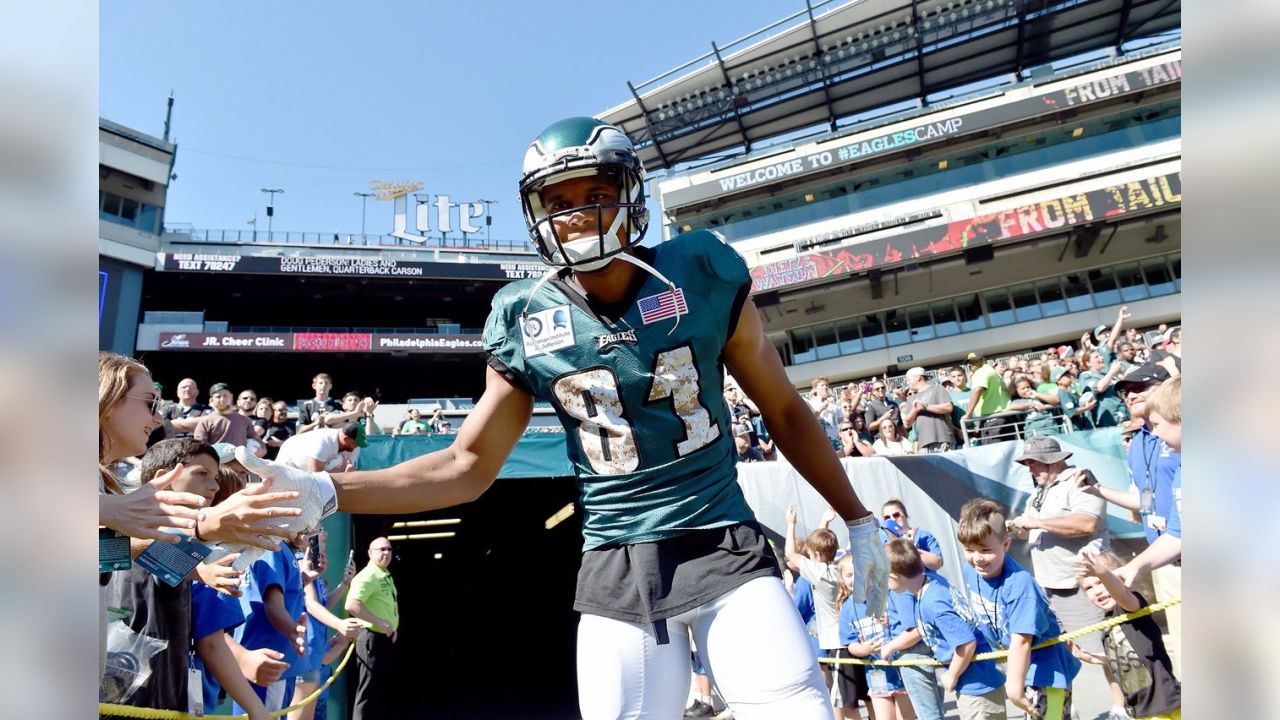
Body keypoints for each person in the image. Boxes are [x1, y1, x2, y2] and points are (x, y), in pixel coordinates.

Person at [237, 117, 889, 719]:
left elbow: (783, 408)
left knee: (794, 705)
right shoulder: (526, 316)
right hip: (614, 566)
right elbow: (466, 465)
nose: (576, 216)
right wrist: (330, 489)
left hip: (720, 541)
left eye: (594, 193)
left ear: (628, 194)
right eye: (558, 202)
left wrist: (856, 516)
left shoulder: (698, 271)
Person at [1005, 437, 1126, 717]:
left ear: (1054, 460)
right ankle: (1065, 710)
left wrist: (1036, 523)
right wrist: (1019, 527)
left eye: (1034, 462)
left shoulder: (1079, 481)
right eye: (1027, 463)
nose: (1029, 468)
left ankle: (1124, 707)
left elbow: (1087, 523)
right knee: (1061, 654)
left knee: (1108, 651)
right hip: (1050, 587)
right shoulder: (1040, 490)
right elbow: (1035, 527)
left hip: (1082, 586)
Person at [957, 499, 1080, 720]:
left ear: (1005, 544)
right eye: (969, 550)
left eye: (985, 550)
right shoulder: (971, 572)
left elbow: (1022, 640)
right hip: (1018, 666)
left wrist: (1014, 687)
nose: (977, 558)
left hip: (1046, 671)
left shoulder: (1020, 584)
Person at [884, 539, 1006, 720]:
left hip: (977, 684)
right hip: (973, 682)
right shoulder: (930, 582)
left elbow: (966, 643)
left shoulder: (933, 603)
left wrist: (952, 675)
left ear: (894, 577)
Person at [1073, 551, 1181, 720]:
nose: (1097, 591)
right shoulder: (1107, 624)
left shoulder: (1131, 608)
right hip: (1141, 709)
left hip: (1163, 703)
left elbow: (1122, 595)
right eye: (1089, 587)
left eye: (1100, 582)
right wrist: (1097, 659)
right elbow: (1128, 657)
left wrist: (1101, 572)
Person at [836, 554, 913, 720]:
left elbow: (909, 625)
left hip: (902, 669)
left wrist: (892, 618)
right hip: (876, 674)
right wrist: (863, 649)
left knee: (905, 717)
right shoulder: (847, 609)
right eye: (849, 575)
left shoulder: (889, 596)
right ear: (842, 579)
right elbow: (849, 643)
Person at [345, 537, 400, 720]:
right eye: (381, 549)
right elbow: (352, 605)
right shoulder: (368, 575)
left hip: (384, 638)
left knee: (380, 690)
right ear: (370, 552)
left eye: (389, 549)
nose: (386, 553)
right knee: (367, 692)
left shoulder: (384, 574)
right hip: (370, 638)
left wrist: (391, 625)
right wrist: (380, 622)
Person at [960, 352, 1013, 445]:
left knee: (996, 454)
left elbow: (977, 390)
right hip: (1003, 417)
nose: (972, 365)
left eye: (974, 361)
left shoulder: (981, 371)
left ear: (983, 360)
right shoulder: (993, 372)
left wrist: (968, 414)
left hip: (993, 419)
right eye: (970, 362)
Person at [901, 367, 955, 453]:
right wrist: (914, 410)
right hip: (923, 443)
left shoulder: (938, 388)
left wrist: (925, 406)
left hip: (943, 439)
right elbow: (907, 423)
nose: (907, 382)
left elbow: (948, 408)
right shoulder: (911, 399)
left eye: (908, 379)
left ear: (918, 377)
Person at [881, 499, 943, 571]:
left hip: (926, 580)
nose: (892, 519)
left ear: (905, 515)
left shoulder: (923, 536)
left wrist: (911, 548)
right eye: (887, 517)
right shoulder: (882, 540)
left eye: (896, 515)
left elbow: (937, 564)